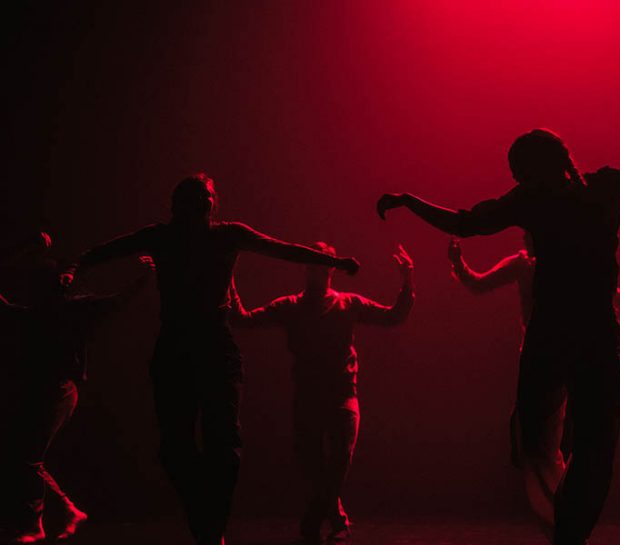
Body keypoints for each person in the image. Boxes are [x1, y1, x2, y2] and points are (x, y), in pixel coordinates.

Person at [377, 120, 620, 545]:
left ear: (538, 166)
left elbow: (465, 222)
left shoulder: (562, 192)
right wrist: (409, 201)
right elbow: (466, 222)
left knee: (582, 438)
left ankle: (570, 529)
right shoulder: (566, 192)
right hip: (575, 330)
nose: (517, 179)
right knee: (568, 438)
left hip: (571, 331)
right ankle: (568, 526)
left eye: (520, 170)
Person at [60, 173, 360, 545]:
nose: (201, 205)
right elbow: (106, 250)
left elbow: (281, 249)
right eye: (194, 198)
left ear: (211, 204)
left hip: (213, 348)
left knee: (224, 448)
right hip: (177, 349)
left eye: (204, 198)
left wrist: (333, 261)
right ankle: (207, 524)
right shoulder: (165, 236)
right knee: (176, 449)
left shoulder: (225, 235)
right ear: (181, 205)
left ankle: (210, 528)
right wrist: (74, 266)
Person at [447, 234, 620, 528]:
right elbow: (479, 283)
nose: (528, 237)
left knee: (552, 442)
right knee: (540, 443)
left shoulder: (563, 265)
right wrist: (458, 263)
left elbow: (618, 297)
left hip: (560, 356)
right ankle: (564, 516)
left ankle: (566, 517)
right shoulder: (524, 264)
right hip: (545, 357)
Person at [228, 243, 414, 545]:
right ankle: (336, 519)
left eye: (321, 263)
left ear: (330, 269)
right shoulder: (292, 305)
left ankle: (318, 518)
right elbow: (244, 319)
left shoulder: (346, 303)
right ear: (306, 267)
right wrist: (228, 277)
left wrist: (407, 279)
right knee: (312, 466)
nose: (315, 269)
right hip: (309, 398)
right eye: (311, 264)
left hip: (341, 394)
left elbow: (392, 316)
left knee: (339, 457)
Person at [0, 245, 153, 544]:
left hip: (59, 391)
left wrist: (145, 275)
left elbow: (118, 301)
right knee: (25, 456)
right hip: (43, 390)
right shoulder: (33, 314)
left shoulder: (71, 310)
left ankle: (36, 524)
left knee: (27, 457)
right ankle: (68, 512)